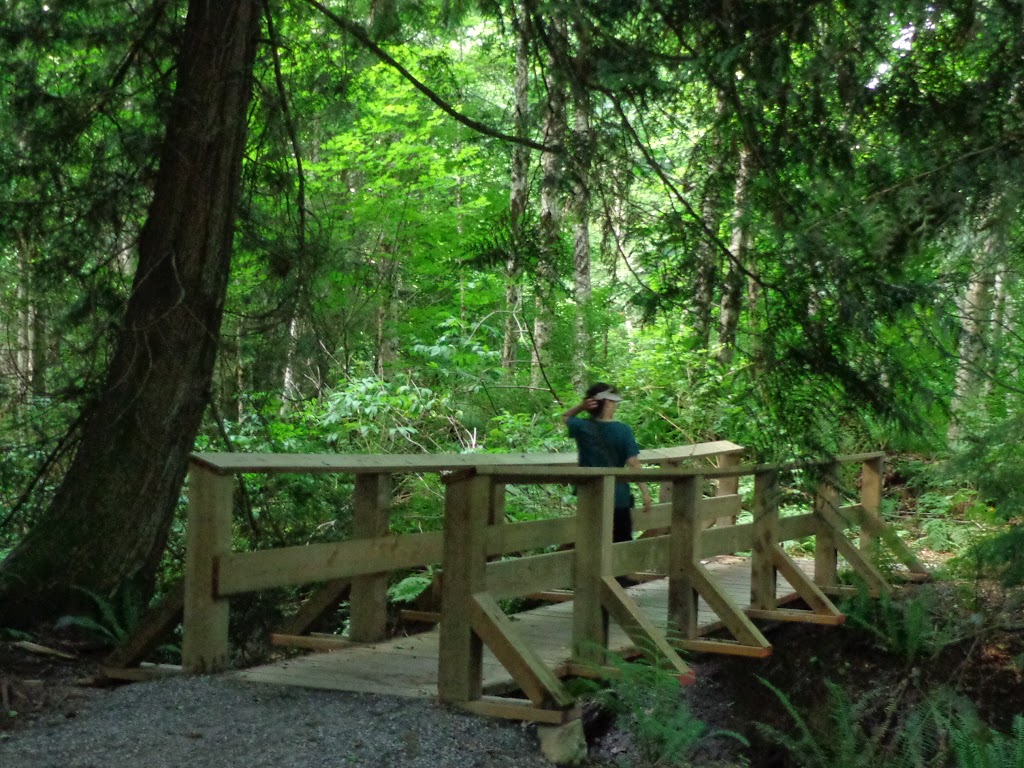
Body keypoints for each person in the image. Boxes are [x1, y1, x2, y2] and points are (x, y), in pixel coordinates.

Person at [561, 382, 652, 544]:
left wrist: (581, 406)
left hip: (589, 496)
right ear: (608, 402)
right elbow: (633, 463)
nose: (615, 406)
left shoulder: (582, 427)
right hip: (618, 497)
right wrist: (645, 492)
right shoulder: (623, 430)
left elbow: (566, 417)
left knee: (589, 543)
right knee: (620, 544)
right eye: (614, 402)